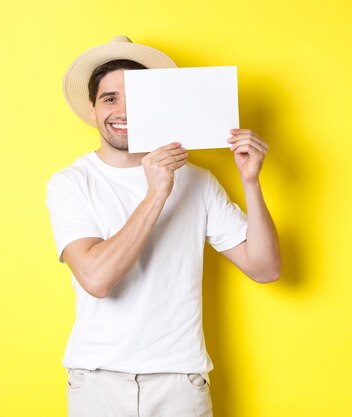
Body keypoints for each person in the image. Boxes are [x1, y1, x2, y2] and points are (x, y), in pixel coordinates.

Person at [46, 35, 281, 417]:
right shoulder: (71, 182)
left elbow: (266, 268)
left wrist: (251, 182)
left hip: (180, 382)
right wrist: (156, 192)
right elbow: (97, 279)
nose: (122, 111)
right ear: (92, 109)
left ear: (157, 106)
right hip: (97, 381)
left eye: (135, 98)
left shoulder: (199, 181)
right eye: (110, 98)